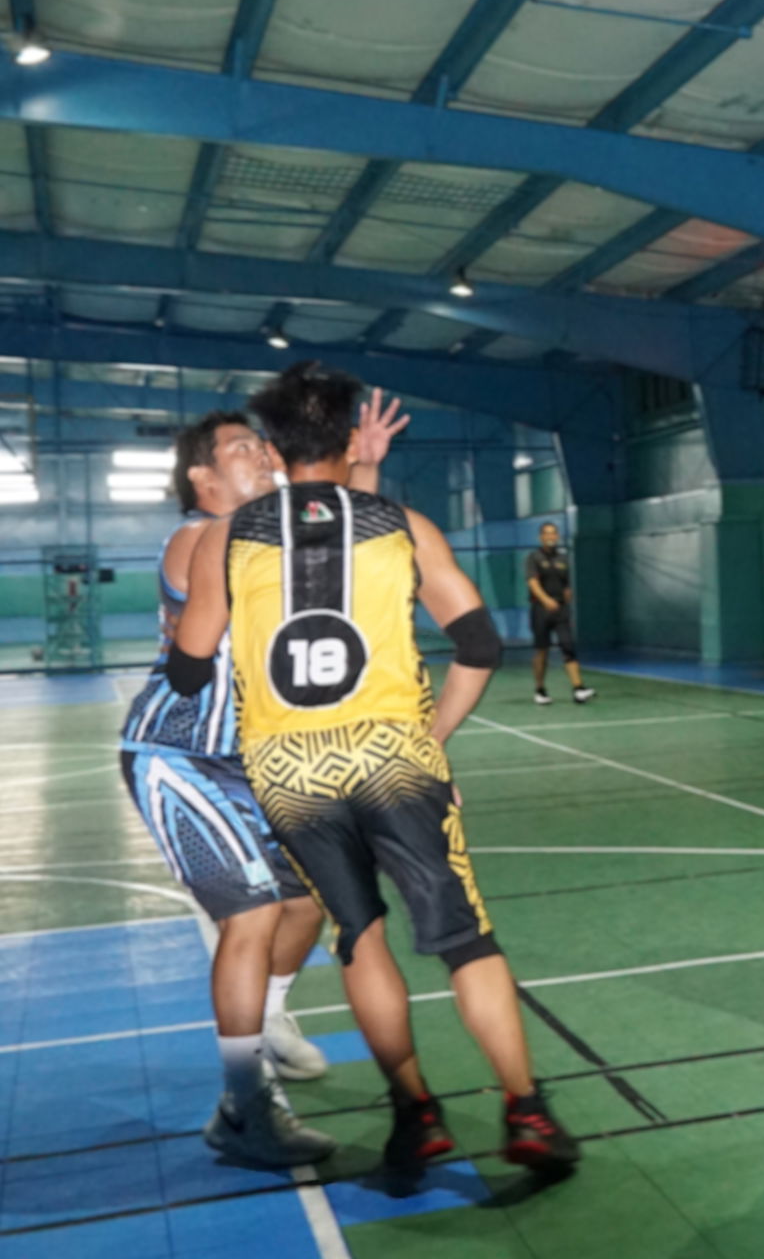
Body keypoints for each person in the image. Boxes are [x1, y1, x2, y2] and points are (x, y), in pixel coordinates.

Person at [169, 361, 580, 1177]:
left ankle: (414, 1113)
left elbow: (189, 667)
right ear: (352, 436)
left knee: (360, 939)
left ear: (278, 447)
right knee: (467, 944)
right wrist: (431, 738)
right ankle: (525, 1111)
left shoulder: (227, 537)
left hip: (290, 769)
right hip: (392, 754)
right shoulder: (400, 523)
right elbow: (479, 646)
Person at [120, 393, 405, 1166]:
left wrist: (363, 465)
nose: (263, 454)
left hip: (249, 761)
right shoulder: (203, 537)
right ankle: (243, 1107)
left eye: (264, 445)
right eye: (245, 447)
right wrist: (339, 476)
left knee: (308, 900)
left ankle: (268, 1017)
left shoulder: (260, 532)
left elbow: (343, 547)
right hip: (176, 756)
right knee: (249, 918)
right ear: (202, 475)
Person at [526, 520, 594, 705]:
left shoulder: (563, 558)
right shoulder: (534, 557)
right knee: (542, 650)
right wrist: (545, 600)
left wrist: (566, 597)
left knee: (568, 646)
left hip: (561, 611)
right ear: (541, 537)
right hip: (541, 610)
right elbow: (532, 582)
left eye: (553, 533)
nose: (550, 537)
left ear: (557, 536)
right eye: (547, 533)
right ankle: (540, 689)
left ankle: (578, 688)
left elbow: (566, 584)